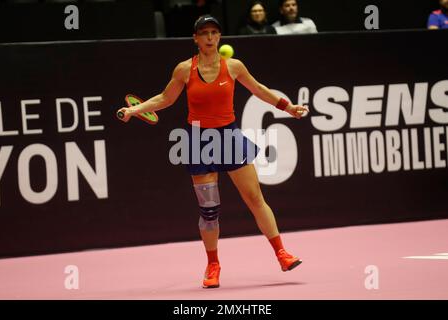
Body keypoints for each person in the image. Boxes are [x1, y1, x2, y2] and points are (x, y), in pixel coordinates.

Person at [117, 15, 308, 289]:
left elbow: (259, 90)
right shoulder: (184, 69)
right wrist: (135, 110)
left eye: (214, 33)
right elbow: (165, 98)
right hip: (199, 142)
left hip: (229, 137)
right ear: (195, 38)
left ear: (219, 37)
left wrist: (287, 107)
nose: (209, 37)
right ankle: (213, 264)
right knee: (209, 211)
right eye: (204, 33)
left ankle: (281, 252)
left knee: (255, 198)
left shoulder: (234, 66)